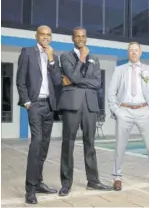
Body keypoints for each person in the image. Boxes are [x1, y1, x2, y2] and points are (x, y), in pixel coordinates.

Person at [58, 27, 112, 196]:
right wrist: (81, 59)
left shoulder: (95, 58)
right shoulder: (65, 56)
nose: (81, 39)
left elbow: (97, 83)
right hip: (72, 104)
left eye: (83, 36)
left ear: (86, 38)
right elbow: (72, 76)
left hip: (90, 105)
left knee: (90, 144)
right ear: (73, 39)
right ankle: (66, 183)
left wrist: (76, 81)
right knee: (68, 144)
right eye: (77, 37)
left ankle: (93, 181)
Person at [108, 42, 149, 191]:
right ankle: (117, 177)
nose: (133, 53)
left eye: (136, 50)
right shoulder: (119, 70)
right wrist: (116, 110)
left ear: (140, 52)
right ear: (128, 53)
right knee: (120, 146)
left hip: (143, 111)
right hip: (124, 111)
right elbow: (111, 92)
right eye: (131, 50)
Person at [16, 25, 62, 204]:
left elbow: (58, 81)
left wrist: (51, 60)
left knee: (44, 146)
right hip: (34, 105)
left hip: (49, 106)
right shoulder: (27, 52)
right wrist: (27, 103)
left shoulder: (54, 56)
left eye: (48, 35)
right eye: (42, 34)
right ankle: (30, 189)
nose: (45, 37)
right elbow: (20, 81)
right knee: (36, 144)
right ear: (36, 36)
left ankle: (39, 182)